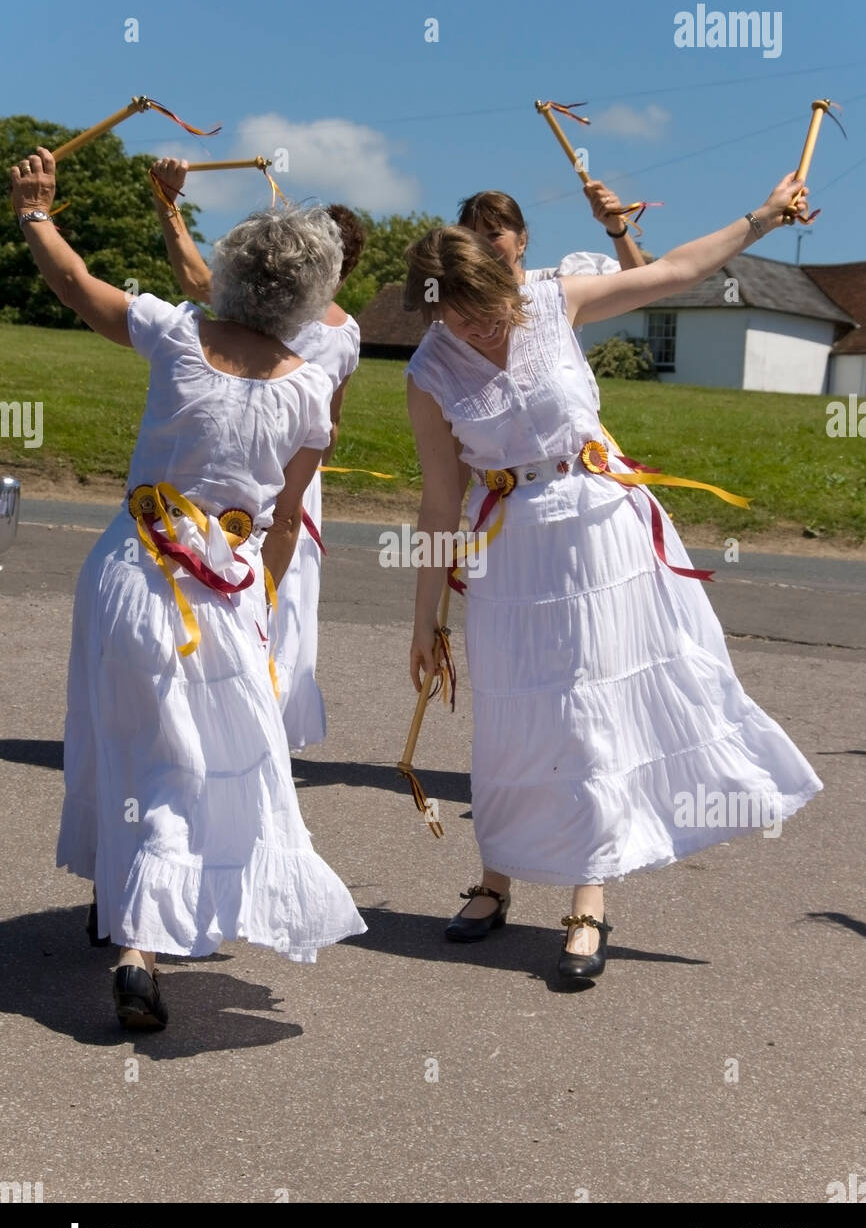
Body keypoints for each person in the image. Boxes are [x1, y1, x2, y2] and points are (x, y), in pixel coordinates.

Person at [403, 172, 822, 989]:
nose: (482, 330)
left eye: (491, 311)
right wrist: (425, 622)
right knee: (513, 718)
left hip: (599, 530)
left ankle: (588, 899)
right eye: (460, 318)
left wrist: (760, 218)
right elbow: (438, 500)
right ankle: (496, 879)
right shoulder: (429, 370)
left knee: (590, 707)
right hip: (509, 548)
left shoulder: (557, 300)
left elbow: (675, 273)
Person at [10, 147, 366, 1030]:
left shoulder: (177, 332)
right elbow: (287, 520)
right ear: (311, 295)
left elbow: (76, 286)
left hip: (136, 569)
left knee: (128, 741)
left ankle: (127, 922)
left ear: (235, 272)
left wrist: (34, 210)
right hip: (227, 589)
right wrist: (263, 605)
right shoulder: (315, 388)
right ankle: (142, 935)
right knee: (194, 761)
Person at [149, 159, 366, 749]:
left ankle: (247, 721)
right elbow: (333, 427)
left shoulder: (332, 332)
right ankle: (233, 720)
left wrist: (169, 207)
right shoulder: (330, 325)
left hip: (277, 474)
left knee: (271, 595)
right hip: (284, 468)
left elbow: (196, 280)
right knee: (266, 595)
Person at [457, 182, 645, 411]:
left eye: (494, 235)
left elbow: (639, 286)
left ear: (522, 241)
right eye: (474, 238)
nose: (484, 246)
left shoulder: (558, 286)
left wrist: (617, 228)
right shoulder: (457, 309)